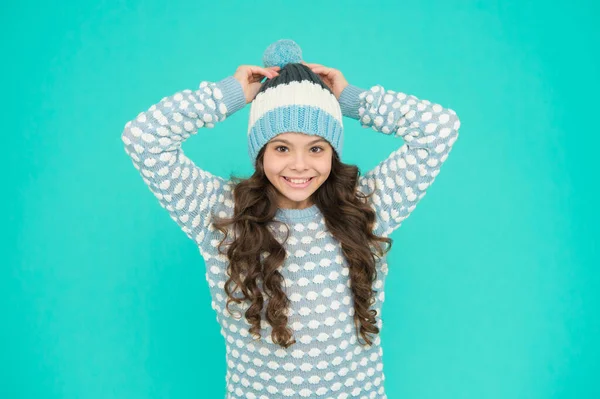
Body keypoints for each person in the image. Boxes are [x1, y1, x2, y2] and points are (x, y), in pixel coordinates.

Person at [121, 39, 460, 399]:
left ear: (333, 153)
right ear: (260, 152)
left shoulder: (366, 207)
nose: (299, 164)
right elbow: (143, 139)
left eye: (316, 148)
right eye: (282, 147)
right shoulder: (222, 215)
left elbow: (439, 128)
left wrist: (352, 100)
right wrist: (229, 94)